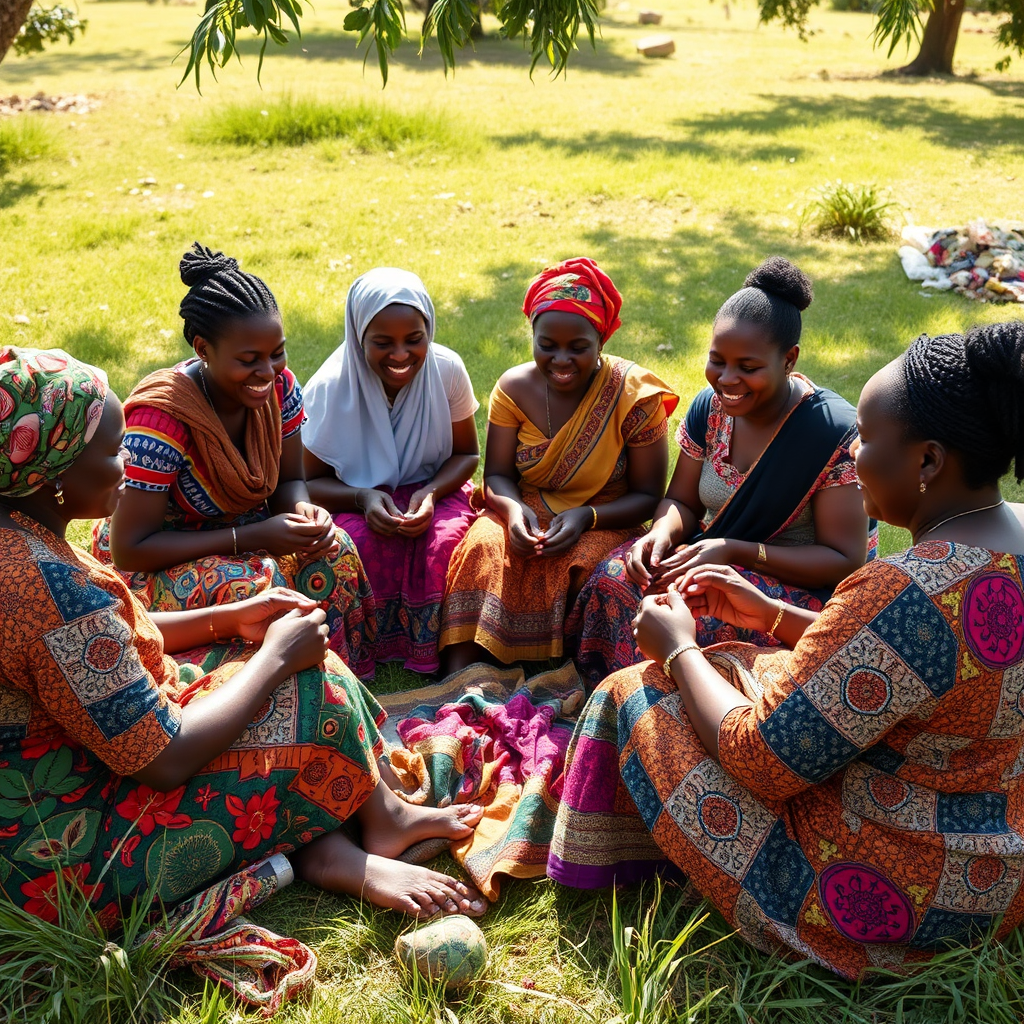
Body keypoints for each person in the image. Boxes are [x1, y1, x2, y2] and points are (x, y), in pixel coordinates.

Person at [549, 321, 1024, 979]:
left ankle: (619, 866)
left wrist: (678, 648)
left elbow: (760, 761)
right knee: (737, 660)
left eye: (866, 437)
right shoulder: (1009, 541)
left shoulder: (904, 589)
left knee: (636, 693)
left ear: (928, 462)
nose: (851, 450)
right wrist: (767, 613)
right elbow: (913, 663)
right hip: (997, 879)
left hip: (892, 902)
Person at [0, 346, 487, 928]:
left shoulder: (23, 537)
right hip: (63, 847)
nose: (127, 463)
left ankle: (370, 822)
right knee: (308, 690)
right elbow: (163, 759)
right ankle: (327, 851)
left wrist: (230, 619)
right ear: (52, 473)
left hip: (62, 768)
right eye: (111, 452)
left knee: (273, 657)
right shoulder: (47, 589)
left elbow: (114, 645)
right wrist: (275, 658)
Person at [567, 257, 870, 686]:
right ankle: (612, 695)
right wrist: (660, 534)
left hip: (796, 593)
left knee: (694, 616)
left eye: (748, 367)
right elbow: (682, 501)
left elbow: (843, 560)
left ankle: (674, 706)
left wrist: (734, 550)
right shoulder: (710, 409)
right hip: (714, 553)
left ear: (789, 359)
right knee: (614, 580)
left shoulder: (830, 432)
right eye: (717, 361)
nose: (727, 379)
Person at [93, 243, 375, 679]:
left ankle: (339, 683)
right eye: (249, 360)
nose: (268, 371)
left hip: (248, 533)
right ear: (203, 349)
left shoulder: (279, 390)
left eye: (277, 353)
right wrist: (252, 536)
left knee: (335, 551)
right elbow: (130, 549)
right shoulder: (162, 420)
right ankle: (264, 691)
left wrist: (304, 514)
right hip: (158, 563)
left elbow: (289, 482)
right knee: (254, 585)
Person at [439, 257, 678, 673]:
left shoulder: (634, 395)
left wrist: (587, 517)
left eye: (578, 347)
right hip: (527, 504)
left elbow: (648, 496)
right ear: (532, 335)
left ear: (600, 341)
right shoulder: (513, 388)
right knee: (485, 546)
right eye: (547, 345)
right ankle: (466, 675)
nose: (561, 360)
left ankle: (568, 669)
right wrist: (514, 511)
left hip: (607, 514)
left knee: (585, 564)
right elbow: (496, 475)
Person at [302, 269, 480, 676]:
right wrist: (363, 498)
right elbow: (309, 483)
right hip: (352, 495)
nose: (400, 355)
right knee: (357, 546)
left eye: (414, 339)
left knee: (447, 543)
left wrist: (431, 493)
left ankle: (449, 651)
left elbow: (467, 454)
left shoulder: (447, 370)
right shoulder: (329, 388)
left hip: (436, 486)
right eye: (382, 343)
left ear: (429, 331)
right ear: (358, 338)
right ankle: (363, 651)